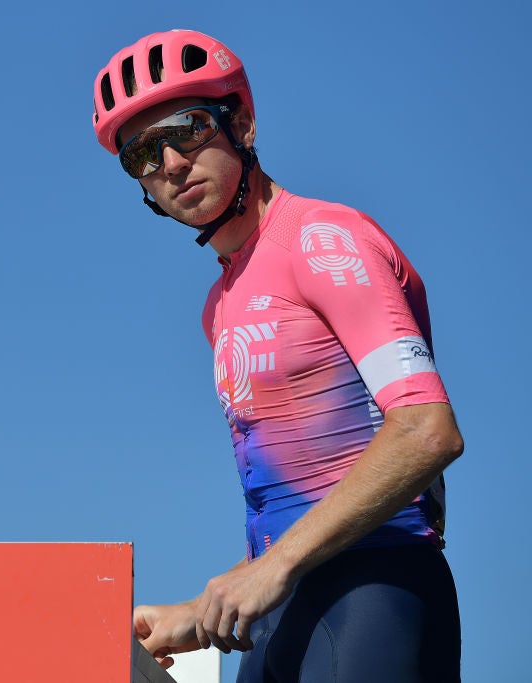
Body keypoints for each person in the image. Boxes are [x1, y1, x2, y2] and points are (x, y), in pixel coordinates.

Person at [92, 30, 464, 682]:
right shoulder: (219, 304)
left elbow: (426, 430)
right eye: (144, 154)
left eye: (189, 130)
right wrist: (202, 605)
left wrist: (273, 565)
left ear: (242, 122)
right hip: (280, 614)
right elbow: (299, 501)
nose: (172, 162)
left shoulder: (323, 238)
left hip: (375, 591)